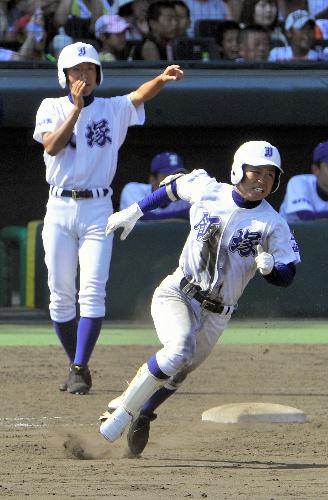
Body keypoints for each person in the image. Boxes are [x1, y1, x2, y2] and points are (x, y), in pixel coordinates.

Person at [99, 140, 301, 455]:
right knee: (179, 350)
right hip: (179, 292)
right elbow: (172, 189)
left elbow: (288, 276)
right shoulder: (208, 188)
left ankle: (145, 413)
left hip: (219, 314)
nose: (262, 180)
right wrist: (134, 211)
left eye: (271, 175)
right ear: (238, 170)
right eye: (256, 171)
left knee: (179, 372)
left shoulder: (273, 224)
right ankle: (122, 409)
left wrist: (272, 270)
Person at [32, 41, 184, 395]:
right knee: (60, 294)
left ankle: (79, 367)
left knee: (93, 290)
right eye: (76, 71)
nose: (83, 76)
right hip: (59, 207)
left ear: (98, 75)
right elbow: (52, 146)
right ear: (64, 76)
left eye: (89, 70)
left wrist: (161, 78)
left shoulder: (112, 108)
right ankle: (77, 365)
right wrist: (76, 109)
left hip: (99, 207)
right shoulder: (50, 106)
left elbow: (138, 96)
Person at [120, 152, 191, 220]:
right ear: (153, 180)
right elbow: (145, 217)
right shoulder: (133, 190)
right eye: (168, 176)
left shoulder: (186, 195)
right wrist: (184, 214)